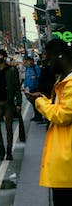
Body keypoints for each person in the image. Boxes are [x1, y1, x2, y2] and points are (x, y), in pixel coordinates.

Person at [25, 39, 72, 206]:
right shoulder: (63, 81)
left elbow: (62, 115)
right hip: (64, 164)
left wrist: (39, 102)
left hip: (67, 164)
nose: (47, 64)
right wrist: (43, 100)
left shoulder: (70, 83)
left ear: (60, 56)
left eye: (49, 59)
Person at [23, 56, 42, 121]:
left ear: (32, 61)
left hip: (36, 88)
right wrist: (24, 86)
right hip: (30, 88)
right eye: (28, 61)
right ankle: (36, 115)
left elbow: (40, 76)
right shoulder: (28, 68)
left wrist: (36, 77)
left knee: (37, 103)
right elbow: (26, 78)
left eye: (29, 61)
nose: (28, 62)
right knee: (33, 103)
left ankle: (39, 116)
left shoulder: (36, 68)